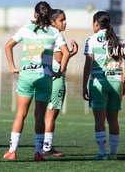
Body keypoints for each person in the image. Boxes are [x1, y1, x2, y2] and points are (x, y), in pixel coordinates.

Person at [3, 1, 70, 161]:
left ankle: (12, 151)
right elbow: (66, 53)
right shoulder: (54, 32)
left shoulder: (26, 29)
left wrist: (13, 67)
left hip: (26, 74)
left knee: (20, 114)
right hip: (44, 76)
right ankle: (39, 152)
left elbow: (8, 46)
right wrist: (59, 72)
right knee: (40, 117)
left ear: (34, 15)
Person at [82, 11, 125, 160]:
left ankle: (103, 153)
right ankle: (114, 154)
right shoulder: (119, 39)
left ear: (96, 23)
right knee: (113, 120)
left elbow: (88, 64)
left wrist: (84, 85)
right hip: (116, 81)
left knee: (99, 120)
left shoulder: (91, 40)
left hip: (99, 82)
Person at [43, 9, 78, 157]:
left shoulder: (46, 33)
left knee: (48, 114)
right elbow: (59, 57)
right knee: (51, 114)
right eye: (61, 20)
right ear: (52, 22)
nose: (64, 23)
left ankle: (44, 145)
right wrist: (70, 53)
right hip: (56, 79)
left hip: (48, 77)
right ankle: (47, 147)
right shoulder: (56, 35)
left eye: (65, 20)